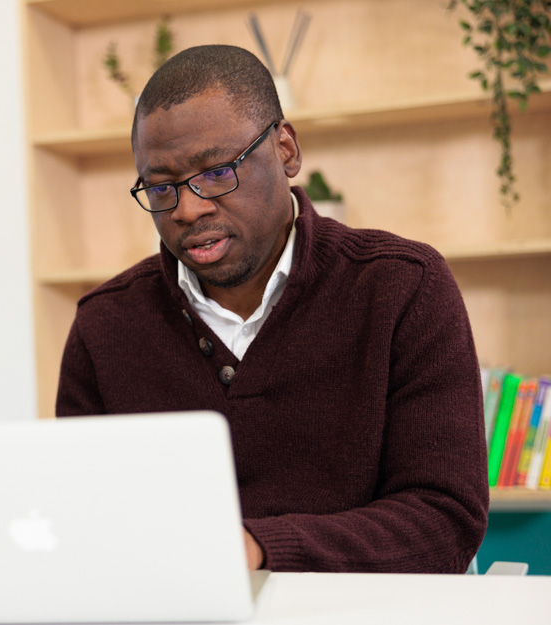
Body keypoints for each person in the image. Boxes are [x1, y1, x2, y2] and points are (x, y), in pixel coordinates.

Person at [55, 45, 488, 573]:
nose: (188, 209)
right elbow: (85, 522)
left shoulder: (402, 287)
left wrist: (260, 550)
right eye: (161, 187)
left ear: (285, 149)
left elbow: (445, 520)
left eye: (215, 173)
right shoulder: (105, 325)